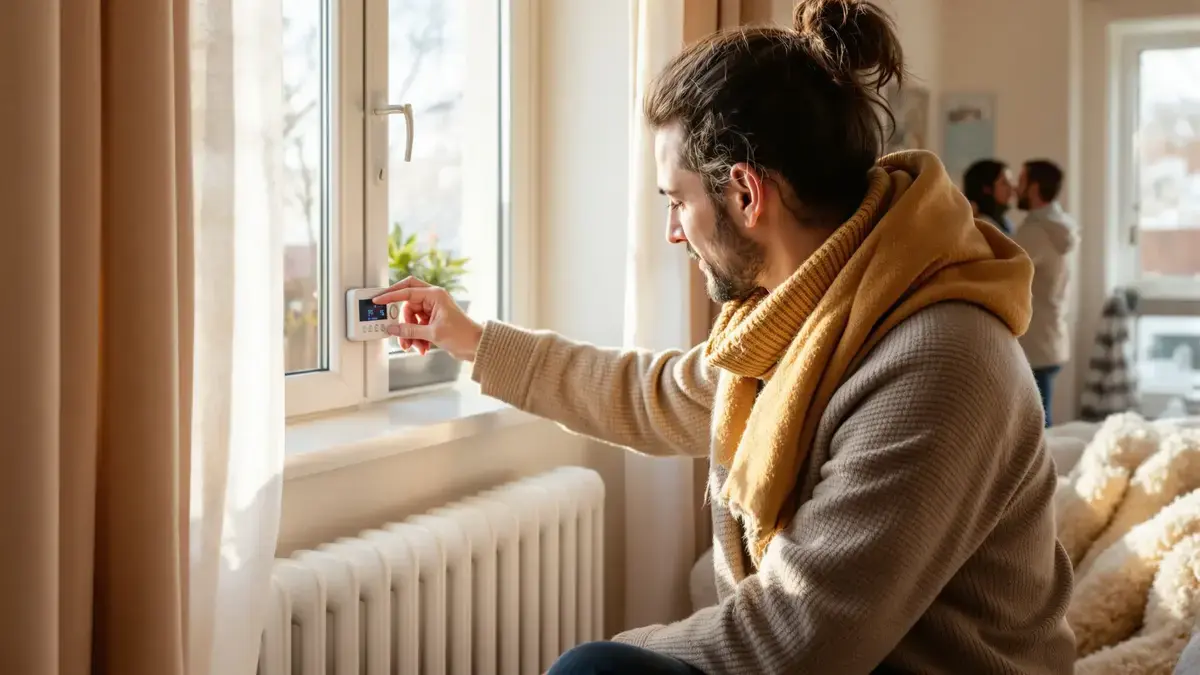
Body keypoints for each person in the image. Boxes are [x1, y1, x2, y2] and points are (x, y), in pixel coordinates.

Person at [375, 0, 1075, 672]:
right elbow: (652, 395)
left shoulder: (936, 360)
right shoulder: (807, 316)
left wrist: (621, 648)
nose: (673, 231)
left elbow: (796, 641)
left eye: (677, 200)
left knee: (595, 669)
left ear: (745, 192)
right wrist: (467, 335)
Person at [1013, 159, 1078, 427]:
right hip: (1052, 338)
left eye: (1021, 182)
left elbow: (1003, 270)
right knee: (1041, 420)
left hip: (1034, 343)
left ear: (1034, 187)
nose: (1017, 188)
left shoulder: (1035, 233)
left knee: (1034, 426)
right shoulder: (1061, 226)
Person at [963, 158, 1017, 235]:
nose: (1012, 188)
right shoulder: (977, 226)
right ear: (987, 188)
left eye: (1010, 182)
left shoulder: (1006, 223)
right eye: (1004, 183)